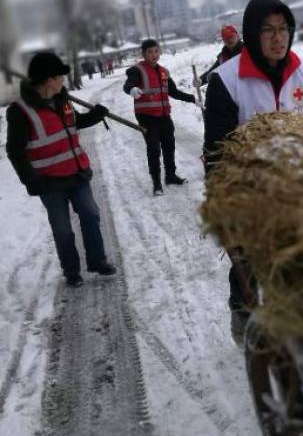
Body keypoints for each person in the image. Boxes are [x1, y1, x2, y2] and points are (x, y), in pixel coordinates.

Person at [203, 0, 303, 344]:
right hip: (249, 188)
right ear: (252, 34)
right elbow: (216, 148)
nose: (278, 38)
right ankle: (242, 309)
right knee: (250, 264)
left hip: (298, 183)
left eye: (284, 29)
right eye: (268, 31)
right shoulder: (227, 80)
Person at [5, 52, 116, 287]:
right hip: (49, 181)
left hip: (77, 173)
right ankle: (71, 271)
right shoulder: (20, 111)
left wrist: (95, 116)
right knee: (63, 229)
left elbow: (75, 123)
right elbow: (15, 150)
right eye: (60, 77)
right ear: (48, 80)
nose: (63, 82)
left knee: (91, 214)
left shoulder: (63, 100)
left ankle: (97, 260)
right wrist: (29, 179)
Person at [123, 38, 198, 195]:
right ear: (143, 54)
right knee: (153, 149)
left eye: (156, 51)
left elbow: (173, 92)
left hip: (164, 116)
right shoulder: (137, 70)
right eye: (150, 52)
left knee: (169, 146)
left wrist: (192, 99)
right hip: (147, 117)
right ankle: (157, 183)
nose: (153, 55)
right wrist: (132, 90)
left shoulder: (163, 71)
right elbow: (128, 85)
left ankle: (170, 176)